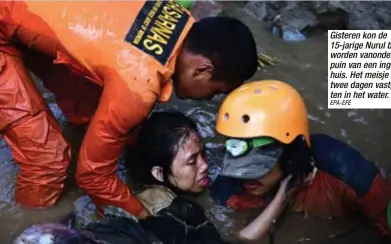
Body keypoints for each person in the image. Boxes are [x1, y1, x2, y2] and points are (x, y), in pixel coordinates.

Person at [0, 0, 258, 216]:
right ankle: (31, 224)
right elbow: (92, 177)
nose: (206, 100)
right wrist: (141, 216)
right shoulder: (138, 84)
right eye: (215, 92)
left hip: (27, 14)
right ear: (202, 69)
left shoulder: (178, 17)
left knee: (91, 110)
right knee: (47, 161)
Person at [210, 80, 391, 241]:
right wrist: (281, 198)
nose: (244, 177)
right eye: (239, 165)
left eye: (257, 167)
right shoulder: (228, 190)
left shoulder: (347, 173)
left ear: (291, 155)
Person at [14, 111, 227, 244]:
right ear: (159, 173)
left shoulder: (130, 193)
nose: (205, 165)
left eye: (203, 153)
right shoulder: (178, 212)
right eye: (192, 161)